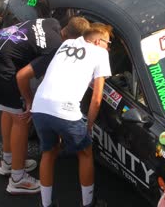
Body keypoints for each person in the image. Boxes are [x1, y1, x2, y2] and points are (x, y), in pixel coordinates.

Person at [0, 16, 89, 194]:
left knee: (8, 110)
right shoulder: (56, 48)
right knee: (22, 117)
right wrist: (29, 101)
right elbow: (22, 76)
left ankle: (9, 162)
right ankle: (17, 179)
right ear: (76, 40)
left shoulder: (51, 22)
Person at [30, 23, 113, 207]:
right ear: (99, 41)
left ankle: (46, 204)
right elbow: (97, 98)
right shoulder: (101, 53)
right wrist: (89, 126)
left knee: (48, 153)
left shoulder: (66, 44)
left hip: (40, 106)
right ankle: (88, 202)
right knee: (85, 153)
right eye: (108, 43)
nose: (109, 47)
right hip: (66, 110)